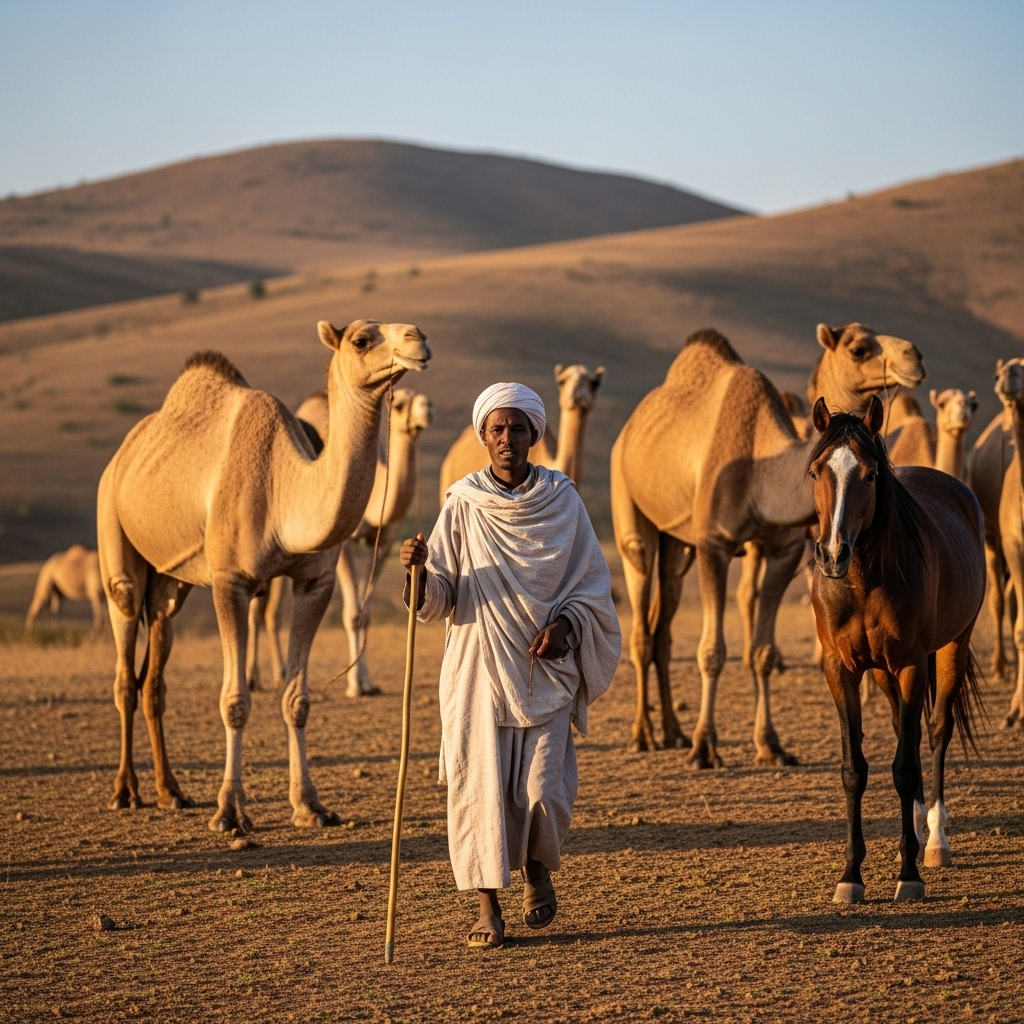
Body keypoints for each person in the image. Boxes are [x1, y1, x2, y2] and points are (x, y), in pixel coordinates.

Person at [400, 382, 621, 949]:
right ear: (483, 436)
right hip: (477, 667)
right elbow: (441, 597)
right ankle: (487, 908)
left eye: (517, 428)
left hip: (544, 672)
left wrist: (568, 627)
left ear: (534, 435)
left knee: (544, 788)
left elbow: (592, 586)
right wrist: (418, 573)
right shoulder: (463, 504)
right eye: (496, 429)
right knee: (481, 790)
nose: (507, 439)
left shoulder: (563, 502)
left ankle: (538, 871)